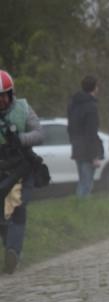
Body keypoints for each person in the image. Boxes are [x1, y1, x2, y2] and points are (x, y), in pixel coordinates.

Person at [0, 70, 44, 273]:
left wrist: (21, 139)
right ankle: (10, 247)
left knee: (18, 208)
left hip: (21, 168)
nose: (1, 101)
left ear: (10, 94)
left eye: (3, 96)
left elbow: (39, 133)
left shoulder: (23, 108)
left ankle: (13, 252)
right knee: (3, 213)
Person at [67, 75, 104, 197]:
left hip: (77, 146)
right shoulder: (91, 107)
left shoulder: (73, 104)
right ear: (94, 88)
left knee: (82, 181)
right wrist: (94, 156)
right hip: (88, 150)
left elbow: (70, 127)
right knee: (87, 184)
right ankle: (83, 211)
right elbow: (91, 133)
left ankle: (79, 210)